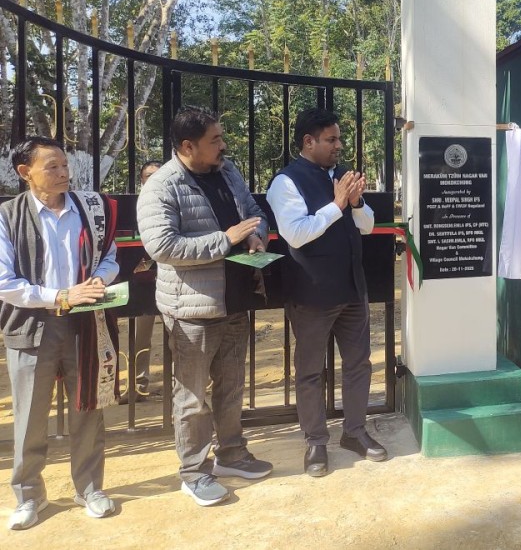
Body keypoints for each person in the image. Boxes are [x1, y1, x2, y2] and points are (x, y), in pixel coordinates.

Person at [137, 107, 273, 507]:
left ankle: (231, 453)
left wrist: (255, 238)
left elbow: (254, 214)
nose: (223, 145)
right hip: (192, 309)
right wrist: (226, 239)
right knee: (192, 396)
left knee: (231, 385)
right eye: (215, 139)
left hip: (235, 298)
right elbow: (162, 246)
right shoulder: (161, 186)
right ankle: (194, 472)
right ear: (187, 146)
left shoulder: (227, 171)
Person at [0, 137, 119, 529]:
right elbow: (5, 282)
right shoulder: (8, 215)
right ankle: (30, 495)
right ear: (25, 172)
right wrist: (61, 296)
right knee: (31, 415)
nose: (63, 172)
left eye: (65, 165)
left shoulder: (91, 208)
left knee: (88, 409)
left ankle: (89, 488)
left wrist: (99, 280)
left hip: (85, 323)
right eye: (51, 166)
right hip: (33, 326)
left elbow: (109, 256)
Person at [266, 108, 386, 477]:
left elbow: (366, 228)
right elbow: (297, 233)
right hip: (312, 294)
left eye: (338, 139)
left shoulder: (343, 176)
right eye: (331, 139)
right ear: (309, 141)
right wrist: (336, 205)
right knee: (310, 372)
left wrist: (356, 203)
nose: (339, 145)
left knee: (358, 365)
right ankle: (316, 442)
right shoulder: (285, 182)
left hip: (352, 289)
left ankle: (354, 432)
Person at [124, 160, 161, 402]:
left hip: (175, 281)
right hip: (143, 282)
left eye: (158, 175)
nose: (153, 180)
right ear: (141, 180)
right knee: (139, 336)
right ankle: (138, 385)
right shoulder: (133, 208)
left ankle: (181, 384)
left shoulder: (176, 201)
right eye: (148, 176)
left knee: (179, 336)